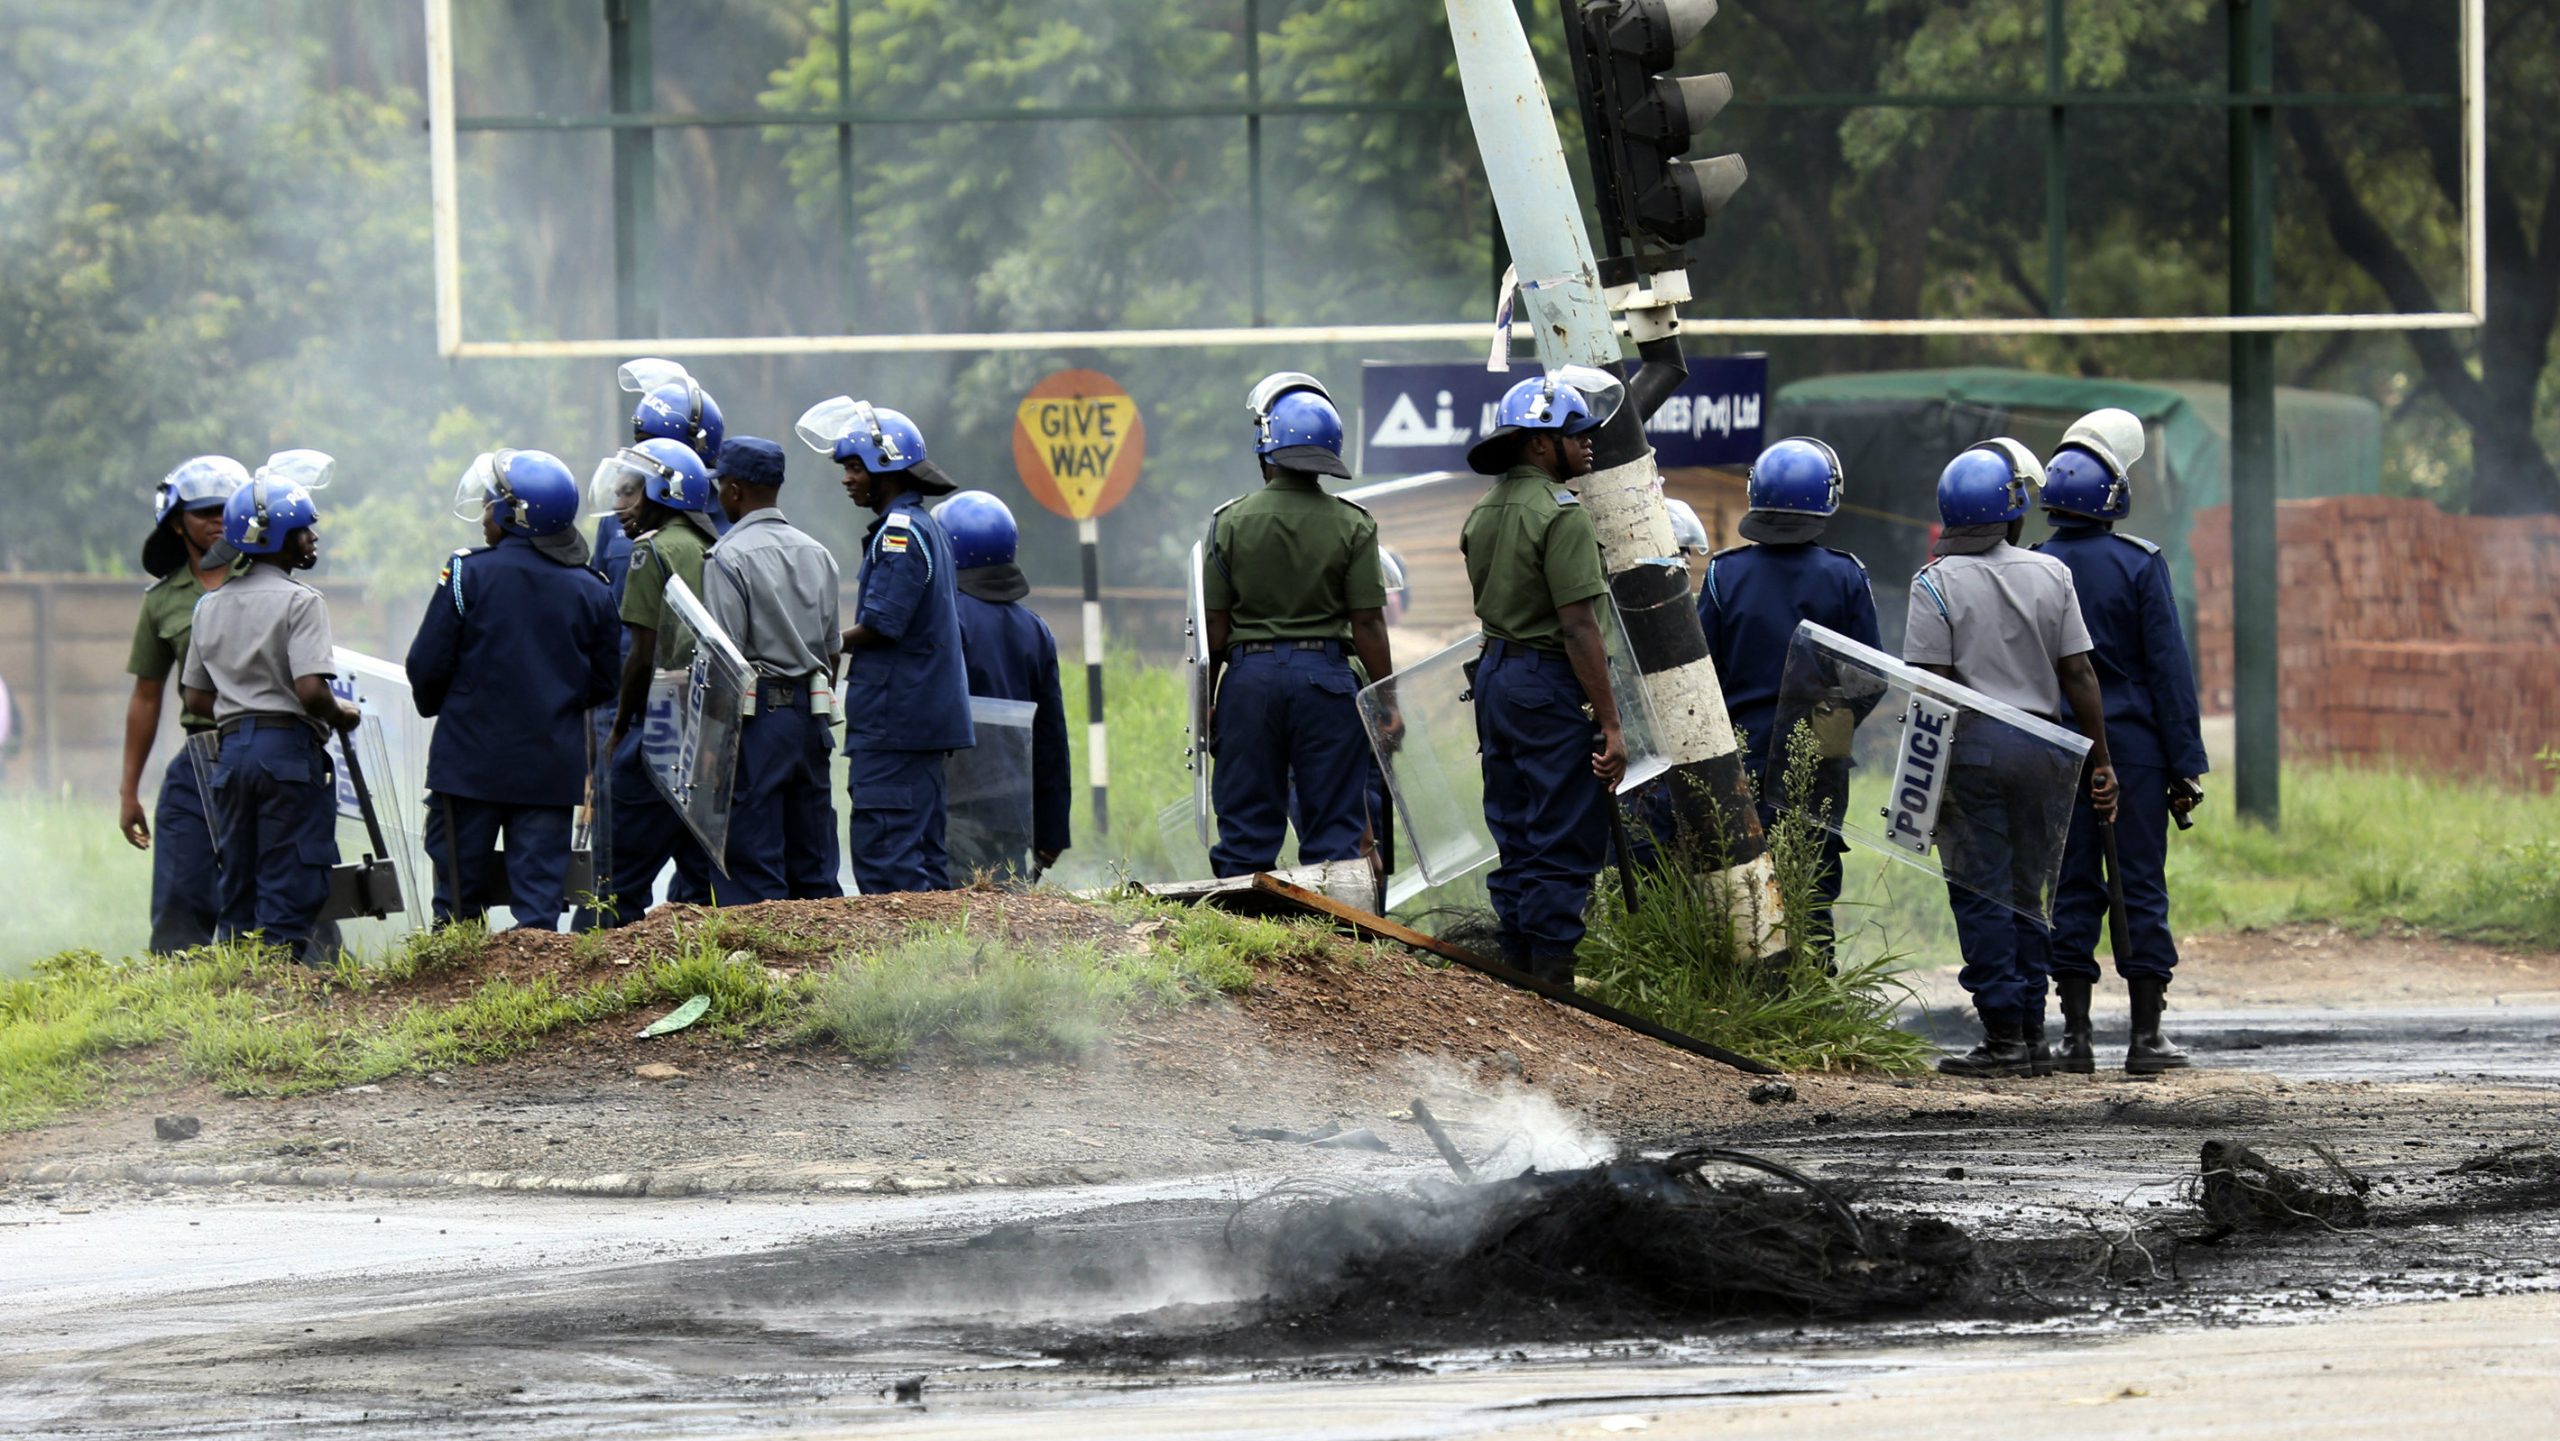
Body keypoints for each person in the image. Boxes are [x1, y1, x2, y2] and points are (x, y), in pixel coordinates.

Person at [1905, 440, 2119, 1078]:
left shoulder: (1934, 583)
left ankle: (2002, 1039)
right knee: (2031, 892)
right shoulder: (2050, 574)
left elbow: (1931, 690)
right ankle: (2032, 1034)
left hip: (1971, 750)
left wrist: (1920, 783)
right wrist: (2099, 760)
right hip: (2045, 750)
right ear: (2012, 510)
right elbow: (2079, 673)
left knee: (1981, 891)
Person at [2034, 408, 2206, 1075]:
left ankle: (2075, 1039)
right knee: (2138, 884)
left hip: (2053, 749)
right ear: (2115, 496)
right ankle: (2145, 1038)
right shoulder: (2140, 564)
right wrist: (2185, 764)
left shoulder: (2035, 565)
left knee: (2069, 884)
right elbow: (2170, 671)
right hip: (2132, 750)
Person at [1459, 370, 1629, 986]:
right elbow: (1580, 627)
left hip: (1496, 679)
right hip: (1546, 681)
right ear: (1537, 443)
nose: (1587, 443)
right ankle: (1553, 986)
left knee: (1515, 827)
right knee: (1561, 830)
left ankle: (1515, 974)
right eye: (1574, 433)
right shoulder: (1562, 516)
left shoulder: (1485, 511)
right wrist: (1611, 723)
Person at [406, 450, 619, 932]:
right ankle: (534, 1001)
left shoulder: (466, 573)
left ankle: (452, 1001)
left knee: (457, 907)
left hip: (466, 767)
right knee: (539, 912)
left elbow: (426, 665)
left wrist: (448, 707)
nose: (483, 516)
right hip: (548, 771)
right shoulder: (594, 590)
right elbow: (605, 683)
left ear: (513, 514)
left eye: (489, 504)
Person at [1201, 373, 1393, 878]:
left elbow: (1214, 630)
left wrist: (1209, 700)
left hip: (1249, 682)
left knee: (1245, 829)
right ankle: (1331, 948)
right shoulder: (1354, 524)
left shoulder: (1229, 522)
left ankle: (1241, 948)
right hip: (1328, 684)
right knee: (1335, 833)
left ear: (1267, 449)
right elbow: (1369, 622)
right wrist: (1386, 702)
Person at [1697, 437, 1881, 955]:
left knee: (1738, 884)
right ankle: (1811, 994)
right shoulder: (1846, 575)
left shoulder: (1723, 574)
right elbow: (1870, 677)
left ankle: (1746, 992)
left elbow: (1701, 671)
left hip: (1736, 759)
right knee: (1813, 883)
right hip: (1819, 760)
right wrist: (1827, 728)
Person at [180, 467, 360, 963]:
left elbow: (195, 700)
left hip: (232, 755)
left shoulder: (208, 606)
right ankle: (278, 997)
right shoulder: (302, 602)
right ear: (277, 537)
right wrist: (341, 713)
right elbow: (309, 690)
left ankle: (236, 989)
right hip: (287, 755)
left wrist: (242, 707)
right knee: (291, 877)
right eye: (304, 529)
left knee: (239, 878)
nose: (313, 536)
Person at [798, 397, 973, 893]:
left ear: (885, 467)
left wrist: (820, 641)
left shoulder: (899, 533)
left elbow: (882, 623)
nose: (846, 478)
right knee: (923, 859)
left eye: (855, 467)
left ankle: (905, 967)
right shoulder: (924, 527)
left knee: (888, 862)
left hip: (896, 726)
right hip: (914, 722)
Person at [701, 436, 845, 904]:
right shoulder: (818, 553)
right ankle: (827, 969)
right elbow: (832, 651)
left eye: (721, 485)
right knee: (814, 858)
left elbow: (725, 658)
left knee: (753, 861)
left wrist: (710, 746)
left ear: (735, 491)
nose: (719, 494)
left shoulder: (727, 556)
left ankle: (763, 972)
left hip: (757, 721)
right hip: (811, 718)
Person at [593, 437, 728, 923]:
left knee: (616, 878)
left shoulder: (649, 552)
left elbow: (643, 653)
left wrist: (618, 727)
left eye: (630, 492)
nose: (618, 506)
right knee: (699, 878)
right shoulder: (708, 546)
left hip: (658, 726)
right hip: (705, 728)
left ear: (663, 493)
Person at [122, 456, 248, 952]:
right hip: (201, 752)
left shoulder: (266, 575)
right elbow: (146, 696)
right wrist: (127, 791)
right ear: (177, 524)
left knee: (284, 885)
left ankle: (314, 982)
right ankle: (178, 983)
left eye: (226, 508)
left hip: (268, 748)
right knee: (180, 885)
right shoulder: (162, 602)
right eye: (204, 511)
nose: (218, 518)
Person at [936, 488, 1071, 878]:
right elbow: (1050, 736)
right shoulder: (1035, 629)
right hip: (1013, 808)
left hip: (953, 809)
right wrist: (1052, 827)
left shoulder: (945, 619)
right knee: (1004, 917)